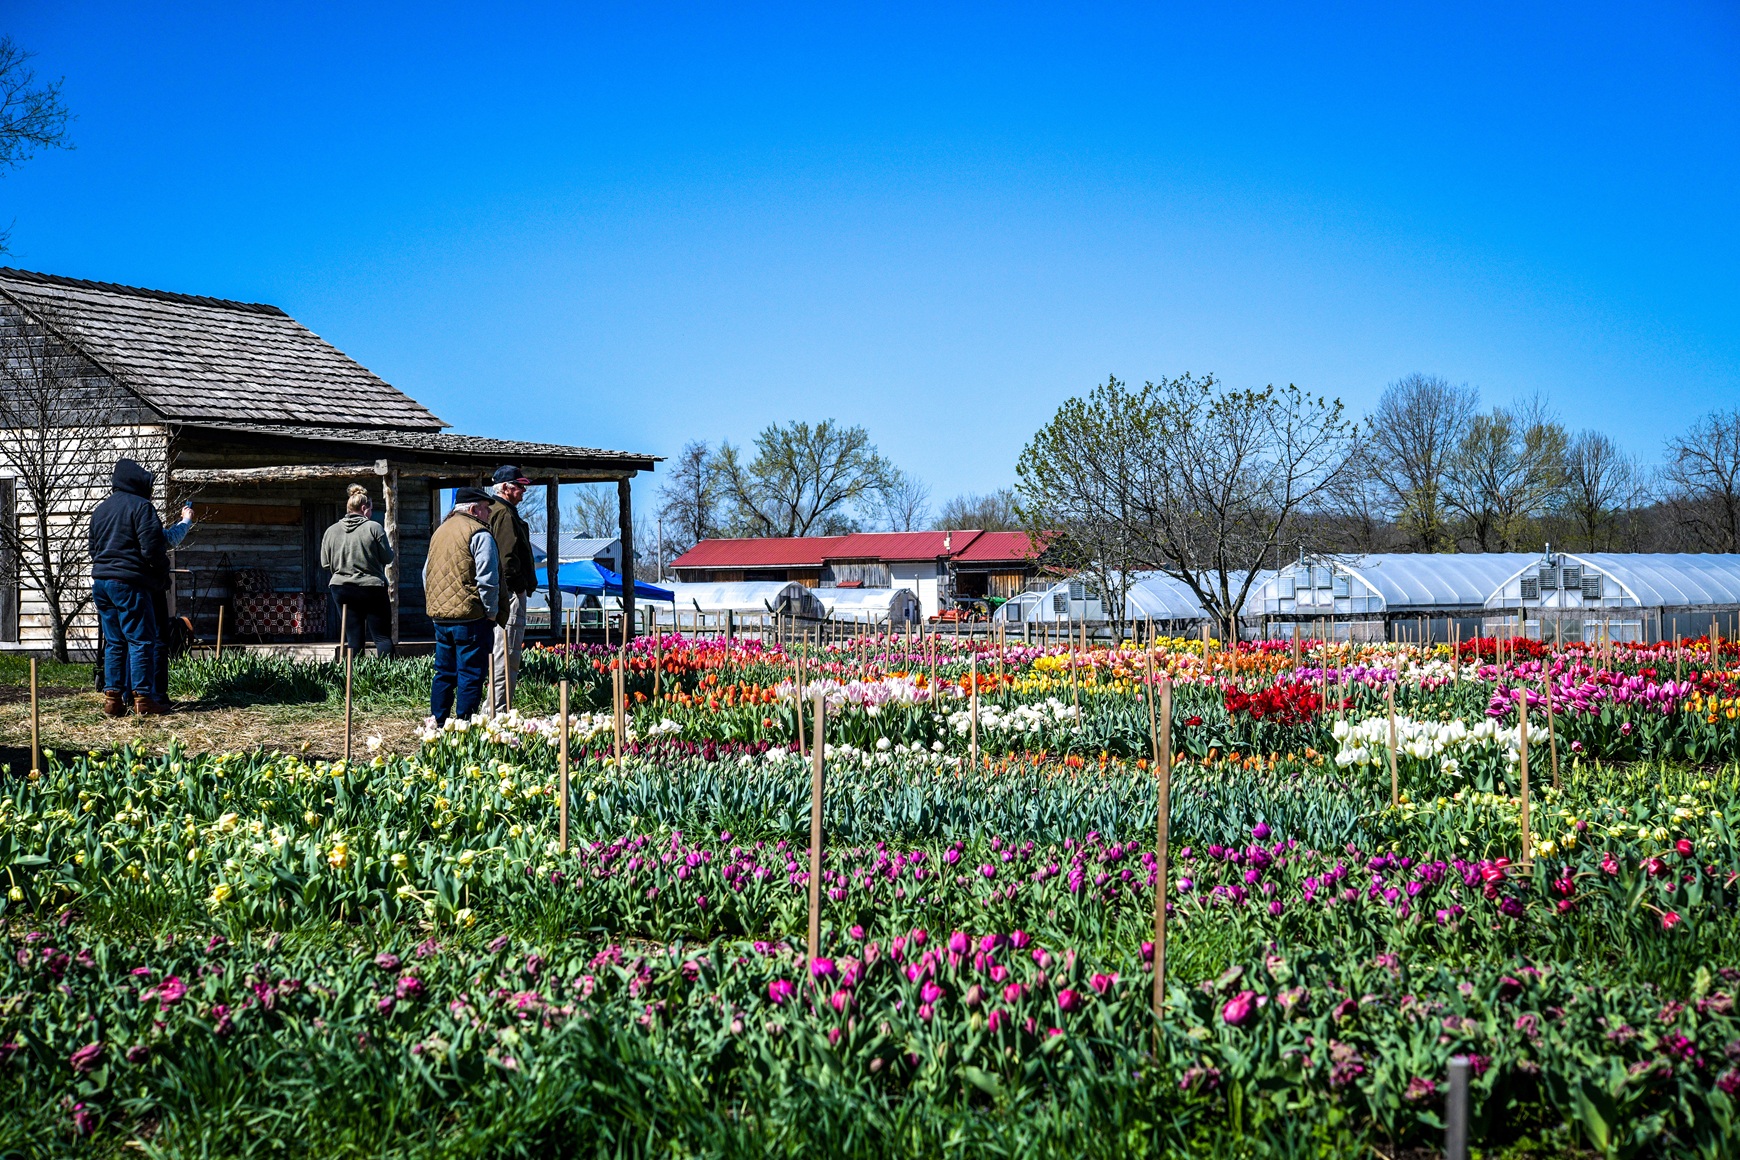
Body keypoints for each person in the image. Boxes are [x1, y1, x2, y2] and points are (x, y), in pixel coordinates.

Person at [89, 458, 172, 716]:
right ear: (138, 482)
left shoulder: (100, 510)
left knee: (114, 642)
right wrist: (162, 575)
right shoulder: (142, 507)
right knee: (140, 640)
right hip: (129, 584)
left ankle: (113, 700)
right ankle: (144, 700)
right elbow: (152, 548)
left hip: (101, 583)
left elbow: (94, 549)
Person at [423, 486, 499, 723]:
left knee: (444, 673)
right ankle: (464, 724)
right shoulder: (479, 534)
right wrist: (491, 612)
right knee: (470, 674)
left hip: (440, 616)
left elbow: (426, 573)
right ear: (474, 509)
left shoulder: (440, 532)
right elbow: (488, 579)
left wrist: (436, 602)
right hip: (470, 616)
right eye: (486, 509)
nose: (488, 515)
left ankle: (438, 721)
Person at [321, 484, 396, 657]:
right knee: (382, 637)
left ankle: (355, 677)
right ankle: (386, 677)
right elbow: (388, 558)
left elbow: (325, 563)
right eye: (370, 509)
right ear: (364, 508)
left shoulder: (331, 531)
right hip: (371, 587)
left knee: (353, 638)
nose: (370, 512)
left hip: (342, 588)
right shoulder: (373, 527)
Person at [484, 465, 537, 710]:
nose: (523, 491)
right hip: (510, 593)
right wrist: (518, 587)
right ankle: (499, 709)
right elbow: (507, 558)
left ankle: (493, 707)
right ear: (505, 488)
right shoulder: (504, 514)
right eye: (519, 486)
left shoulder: (492, 510)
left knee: (499, 649)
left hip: (499, 591)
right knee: (508, 650)